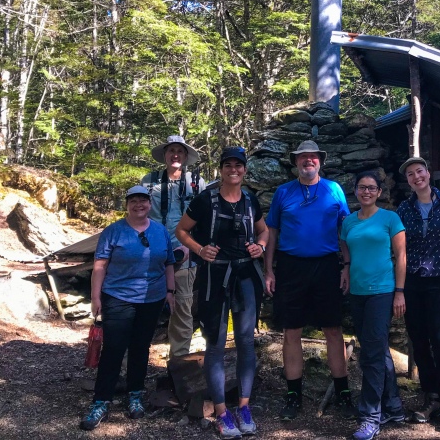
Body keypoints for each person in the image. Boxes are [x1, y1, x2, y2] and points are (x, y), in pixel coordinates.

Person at [175, 146, 269, 439]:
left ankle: (243, 406)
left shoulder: (251, 200)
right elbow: (181, 231)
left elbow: (264, 231)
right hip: (214, 279)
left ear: (244, 169)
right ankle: (221, 412)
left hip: (246, 278)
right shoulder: (206, 200)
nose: (234, 170)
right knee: (214, 343)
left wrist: (261, 247)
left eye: (238, 165)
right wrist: (200, 249)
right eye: (228, 165)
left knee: (245, 341)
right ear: (221, 169)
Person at [263, 140, 354, 421]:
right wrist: (269, 270)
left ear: (320, 161)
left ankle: (343, 393)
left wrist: (347, 265)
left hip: (326, 266)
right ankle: (293, 395)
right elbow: (272, 232)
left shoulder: (334, 190)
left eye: (312, 157)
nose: (308, 161)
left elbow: (344, 229)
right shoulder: (283, 192)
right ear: (296, 162)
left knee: (333, 329)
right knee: (291, 331)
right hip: (291, 267)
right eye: (303, 157)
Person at [80, 185, 176, 431]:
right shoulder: (114, 231)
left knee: (141, 347)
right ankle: (101, 400)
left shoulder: (160, 231)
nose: (138, 205)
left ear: (150, 204)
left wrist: (170, 292)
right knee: (113, 348)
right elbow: (100, 265)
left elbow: (168, 263)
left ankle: (135, 394)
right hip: (118, 296)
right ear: (127, 205)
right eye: (133, 200)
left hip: (152, 298)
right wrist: (95, 296)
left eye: (143, 200)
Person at [339, 171, 407, 440]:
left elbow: (401, 256)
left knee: (372, 354)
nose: (366, 191)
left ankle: (370, 415)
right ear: (355, 191)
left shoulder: (390, 218)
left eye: (372, 188)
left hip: (383, 291)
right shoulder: (348, 221)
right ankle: (393, 405)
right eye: (361, 187)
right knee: (375, 349)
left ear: (379, 192)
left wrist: (400, 292)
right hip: (357, 291)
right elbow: (345, 246)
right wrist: (345, 268)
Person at [395, 157, 440, 431]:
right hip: (412, 281)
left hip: (439, 280)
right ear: (408, 181)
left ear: (428, 173)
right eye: (410, 174)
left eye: (419, 171)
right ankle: (430, 396)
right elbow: (399, 249)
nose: (416, 177)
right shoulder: (403, 209)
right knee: (418, 340)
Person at [141, 135, 206, 358]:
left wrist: (193, 246)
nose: (175, 155)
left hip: (185, 254)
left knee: (182, 310)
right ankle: (133, 362)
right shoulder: (149, 182)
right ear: (165, 155)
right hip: (151, 254)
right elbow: (140, 216)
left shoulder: (197, 182)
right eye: (171, 151)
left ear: (186, 156)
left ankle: (179, 366)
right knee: (142, 307)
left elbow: (205, 220)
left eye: (180, 151)